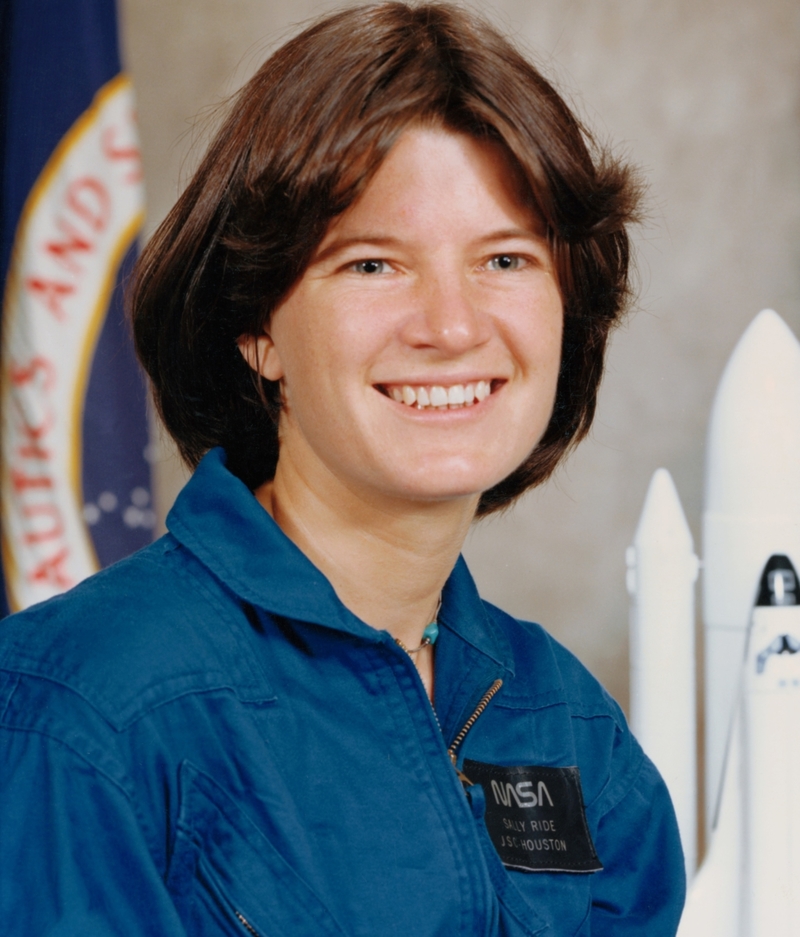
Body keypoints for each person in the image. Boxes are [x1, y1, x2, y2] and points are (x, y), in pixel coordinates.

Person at [0, 3, 685, 934]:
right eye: (372, 265)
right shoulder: (83, 708)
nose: (451, 325)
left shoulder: (568, 725)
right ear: (257, 327)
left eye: (505, 257)